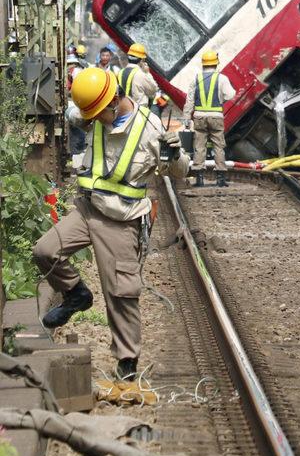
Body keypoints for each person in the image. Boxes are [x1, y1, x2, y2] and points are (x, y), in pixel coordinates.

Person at [33, 67, 189, 380]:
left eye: (96, 114)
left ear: (114, 102)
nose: (91, 121)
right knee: (45, 250)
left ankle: (127, 363)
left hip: (122, 219)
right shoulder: (94, 114)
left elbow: (179, 173)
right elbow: (76, 114)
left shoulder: (148, 128)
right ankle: (77, 295)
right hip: (88, 210)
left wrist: (174, 155)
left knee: (121, 293)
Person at [183, 51, 236, 187]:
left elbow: (189, 101)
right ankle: (221, 179)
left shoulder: (196, 79)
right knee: (218, 145)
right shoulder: (222, 78)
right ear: (216, 63)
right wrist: (220, 100)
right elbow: (230, 95)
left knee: (199, 146)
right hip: (216, 117)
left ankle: (199, 179)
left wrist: (187, 118)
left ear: (203, 64)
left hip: (199, 117)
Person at [118, 43, 157, 108]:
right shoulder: (140, 74)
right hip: (139, 112)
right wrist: (147, 73)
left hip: (124, 110)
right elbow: (153, 90)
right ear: (142, 60)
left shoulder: (120, 72)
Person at [66, 55, 87, 171]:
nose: (69, 66)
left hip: (76, 106)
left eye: (71, 64)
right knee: (76, 134)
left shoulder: (77, 73)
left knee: (78, 134)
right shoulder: (71, 74)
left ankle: (78, 164)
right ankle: (76, 162)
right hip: (73, 105)